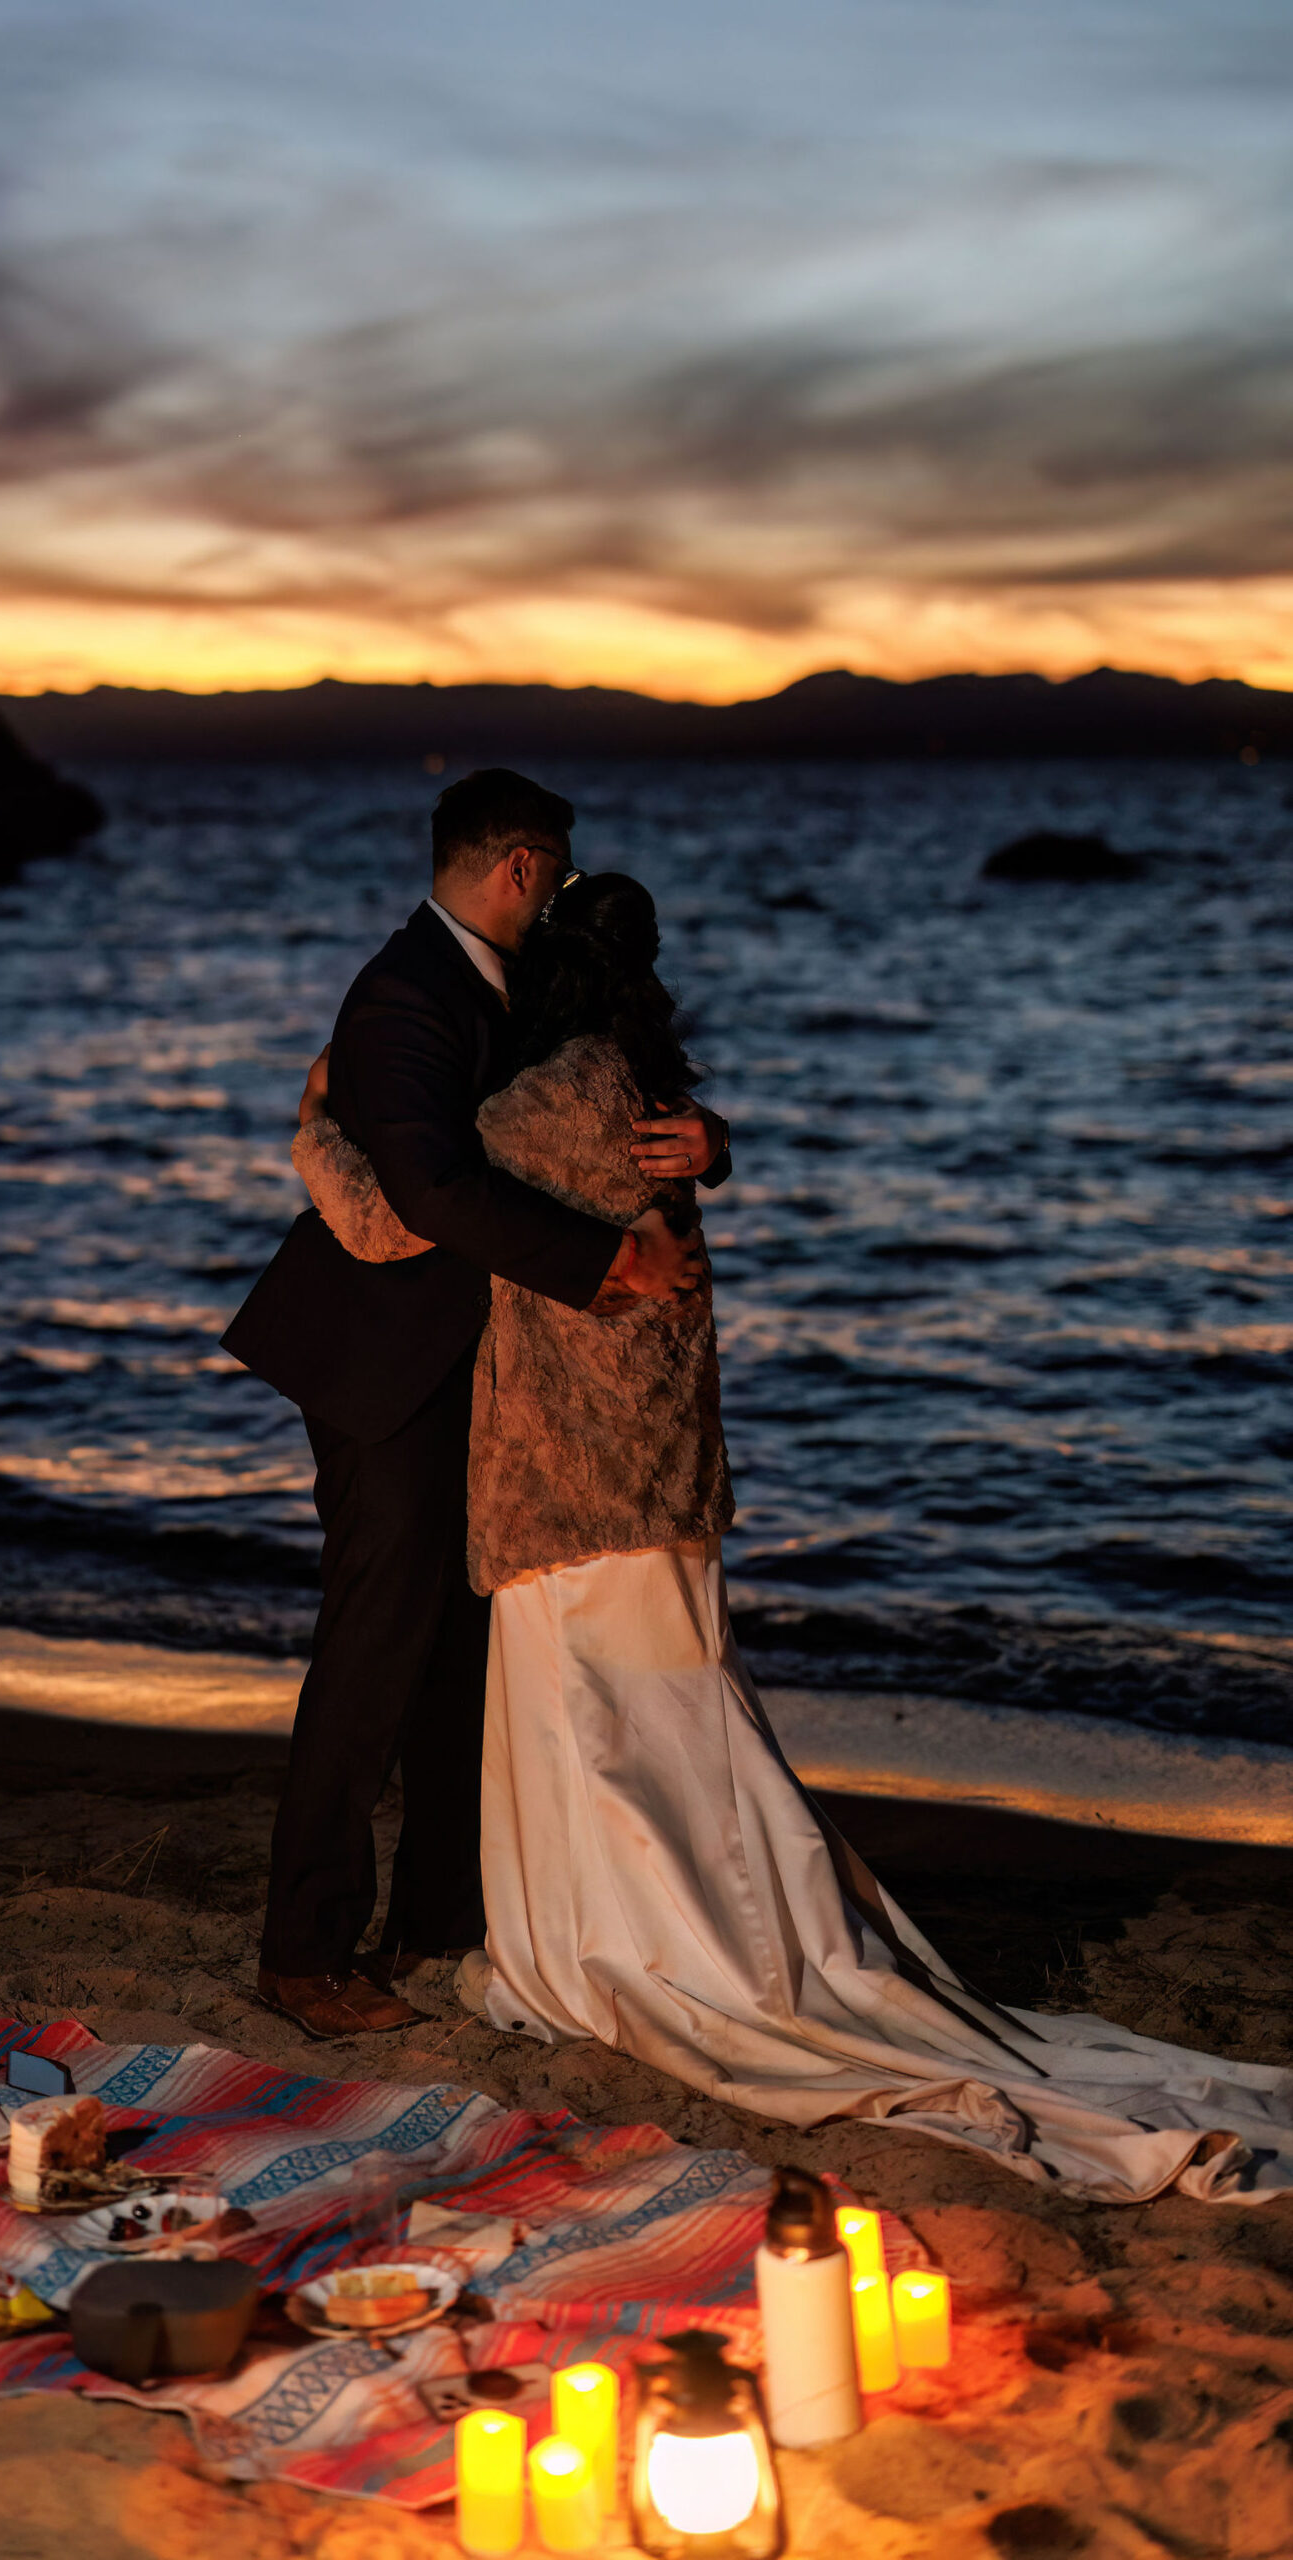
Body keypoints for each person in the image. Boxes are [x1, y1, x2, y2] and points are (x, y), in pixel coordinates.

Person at [295, 868, 1293, 2201]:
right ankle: (707, 1931)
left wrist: (317, 1115)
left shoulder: (542, 1104)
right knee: (674, 1715)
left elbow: (383, 1213)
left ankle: (636, 1949)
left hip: (570, 1479)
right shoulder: (645, 1095)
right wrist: (714, 1140)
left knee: (598, 1726)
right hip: (662, 1472)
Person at [221, 771, 730, 2040]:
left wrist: (704, 1137)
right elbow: (435, 1191)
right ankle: (303, 1951)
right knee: (374, 1650)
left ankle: (439, 1921)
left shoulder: (508, 989)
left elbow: (585, 1112)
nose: (556, 898)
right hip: (379, 1369)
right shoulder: (403, 995)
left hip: (477, 1374)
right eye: (552, 875)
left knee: (460, 1652)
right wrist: (610, 1263)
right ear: (518, 864)